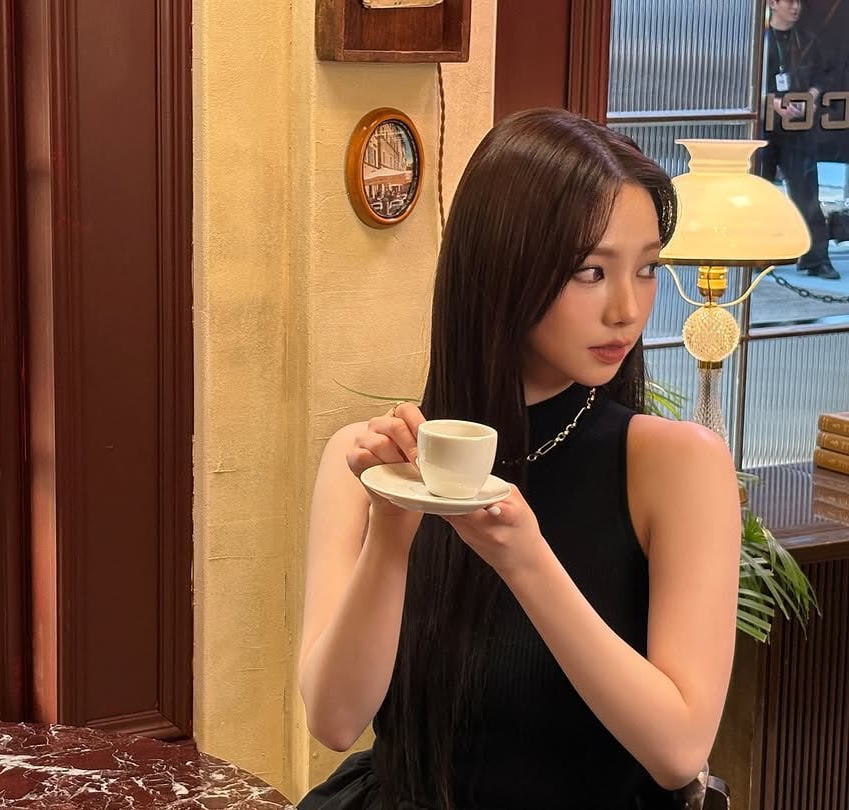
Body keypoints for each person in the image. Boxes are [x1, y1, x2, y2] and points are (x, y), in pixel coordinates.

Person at [297, 109, 741, 809]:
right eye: (591, 271)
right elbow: (333, 720)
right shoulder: (366, 462)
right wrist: (391, 530)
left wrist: (526, 560)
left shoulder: (678, 466)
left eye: (648, 268)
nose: (627, 309)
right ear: (502, 269)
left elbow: (679, 750)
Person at [760, 0, 840, 279]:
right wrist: (771, 102)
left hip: (798, 127)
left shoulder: (807, 40)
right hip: (764, 129)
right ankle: (758, 252)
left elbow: (825, 75)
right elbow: (745, 82)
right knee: (760, 191)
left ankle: (816, 258)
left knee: (807, 193)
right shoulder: (760, 41)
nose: (796, 8)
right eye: (789, 1)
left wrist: (812, 96)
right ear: (773, 4)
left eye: (798, 2)